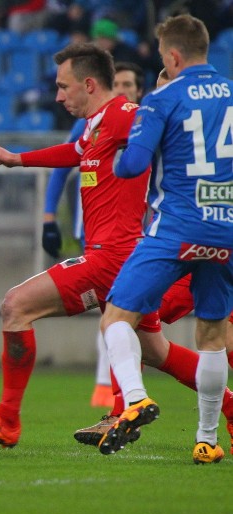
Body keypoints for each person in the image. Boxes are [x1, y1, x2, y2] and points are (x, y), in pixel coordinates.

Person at [0, 42, 200, 449]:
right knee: (154, 351)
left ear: (88, 83)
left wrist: (170, 98)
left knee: (15, 306)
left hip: (111, 257)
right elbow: (76, 151)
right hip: (124, 257)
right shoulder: (97, 124)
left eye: (63, 87)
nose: (58, 96)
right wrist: (16, 159)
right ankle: (227, 405)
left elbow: (154, 125)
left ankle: (7, 420)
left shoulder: (123, 115)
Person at [97, 15, 233, 464]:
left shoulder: (162, 98)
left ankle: (135, 399)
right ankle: (207, 439)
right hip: (227, 229)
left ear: (173, 56)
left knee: (116, 317)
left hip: (177, 226)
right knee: (212, 334)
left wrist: (117, 159)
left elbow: (133, 165)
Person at [42, 60, 145, 409]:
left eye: (129, 84)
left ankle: (121, 398)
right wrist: (48, 217)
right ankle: (121, 402)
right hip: (97, 238)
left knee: (120, 323)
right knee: (125, 327)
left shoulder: (140, 120)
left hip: (134, 243)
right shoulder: (91, 126)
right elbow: (68, 161)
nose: (123, 90)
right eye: (119, 83)